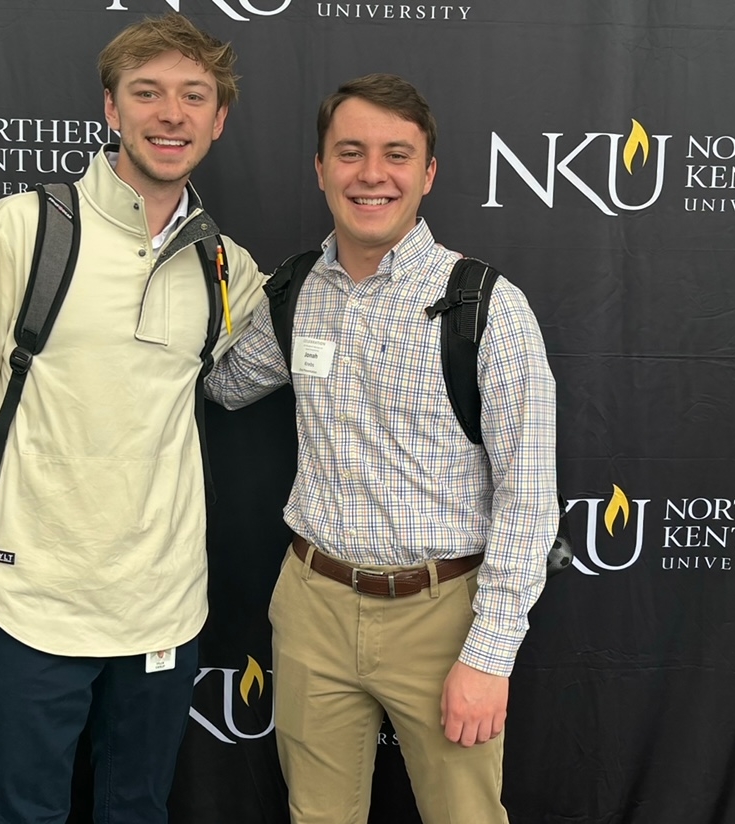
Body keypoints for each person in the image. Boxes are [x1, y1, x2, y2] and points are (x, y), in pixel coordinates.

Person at [0, 13, 265, 824]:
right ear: (111, 109)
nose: (171, 114)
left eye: (192, 96)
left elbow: (272, 361)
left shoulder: (225, 267)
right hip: (34, 601)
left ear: (218, 118)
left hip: (162, 609)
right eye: (148, 93)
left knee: (136, 812)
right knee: (24, 814)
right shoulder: (23, 228)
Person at [205, 73, 558, 823]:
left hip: (443, 615)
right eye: (351, 152)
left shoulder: (488, 307)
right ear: (321, 168)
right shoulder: (295, 291)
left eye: (397, 155)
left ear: (427, 174)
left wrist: (489, 656)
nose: (372, 174)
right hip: (313, 607)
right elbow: (224, 385)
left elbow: (528, 500)